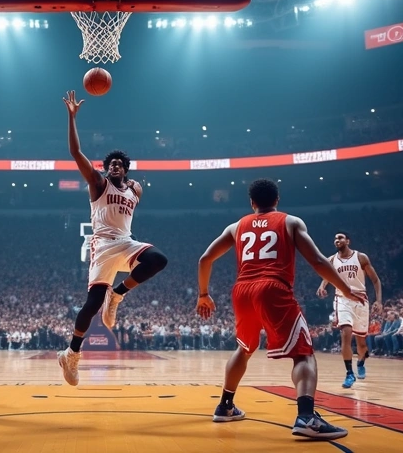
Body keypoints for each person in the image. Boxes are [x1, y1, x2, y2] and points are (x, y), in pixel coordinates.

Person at [195, 179, 367, 440]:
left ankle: (225, 406)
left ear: (251, 202)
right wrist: (344, 289)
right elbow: (318, 260)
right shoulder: (291, 222)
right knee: (304, 353)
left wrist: (204, 294)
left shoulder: (235, 226)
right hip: (272, 287)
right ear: (277, 200)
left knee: (244, 348)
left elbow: (205, 258)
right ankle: (307, 417)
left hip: (242, 290)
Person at [56, 91, 169, 386]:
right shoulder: (97, 184)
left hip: (126, 241)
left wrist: (128, 181)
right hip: (104, 246)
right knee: (92, 305)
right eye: (111, 164)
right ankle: (71, 355)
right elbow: (75, 154)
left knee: (158, 259)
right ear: (106, 169)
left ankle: (118, 294)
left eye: (120, 164)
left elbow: (134, 187)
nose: (114, 166)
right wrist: (71, 118)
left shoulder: (136, 189)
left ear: (127, 169)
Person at [316, 232, 383, 388]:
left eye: (340, 238)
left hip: (360, 300)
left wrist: (379, 301)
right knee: (346, 333)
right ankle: (349, 373)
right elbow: (327, 274)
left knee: (362, 344)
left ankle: (360, 362)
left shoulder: (361, 257)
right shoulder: (331, 260)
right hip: (342, 299)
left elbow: (375, 280)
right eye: (335, 238)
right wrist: (322, 285)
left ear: (348, 240)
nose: (336, 240)